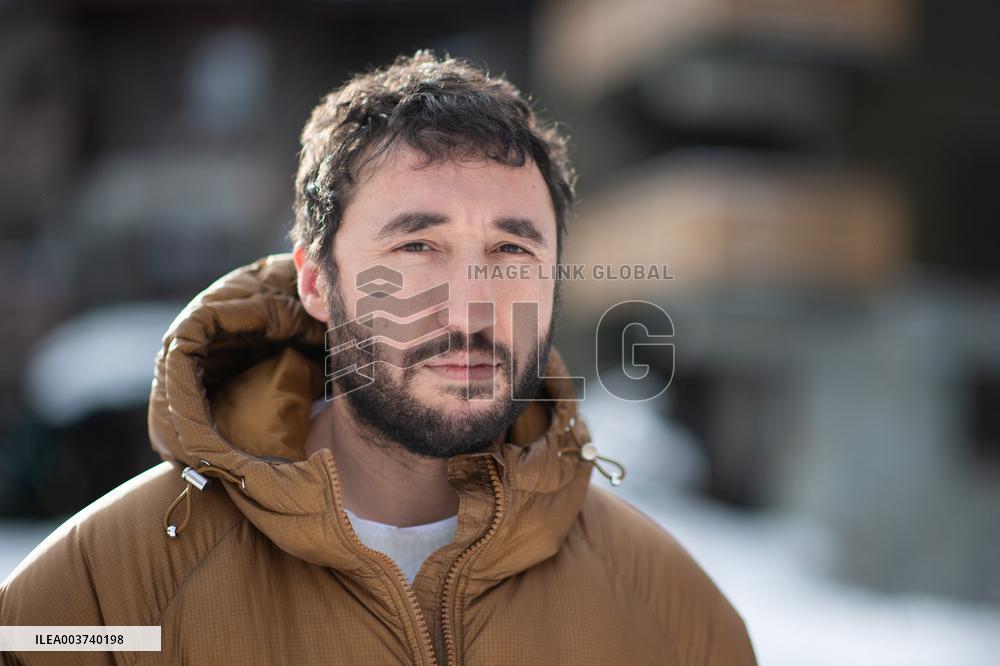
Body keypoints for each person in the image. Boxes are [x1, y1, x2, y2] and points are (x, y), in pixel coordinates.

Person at [0, 50, 756, 665]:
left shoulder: (673, 617)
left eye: (511, 251)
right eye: (417, 247)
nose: (470, 308)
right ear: (316, 281)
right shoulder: (99, 603)